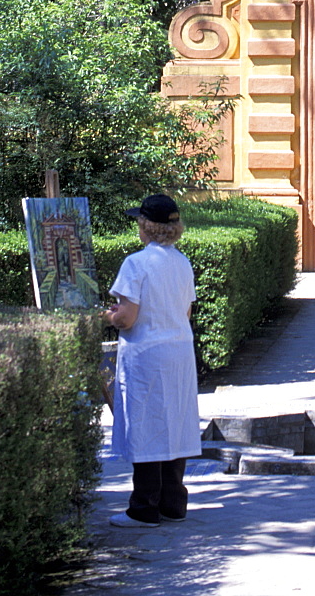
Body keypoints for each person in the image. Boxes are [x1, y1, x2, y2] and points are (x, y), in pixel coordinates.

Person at [99, 194, 201, 528]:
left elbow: (127, 318)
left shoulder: (136, 263)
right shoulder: (181, 261)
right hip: (179, 351)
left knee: (146, 424)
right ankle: (173, 503)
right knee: (175, 421)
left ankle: (143, 507)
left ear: (146, 226)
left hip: (147, 354)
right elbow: (185, 310)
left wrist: (108, 315)